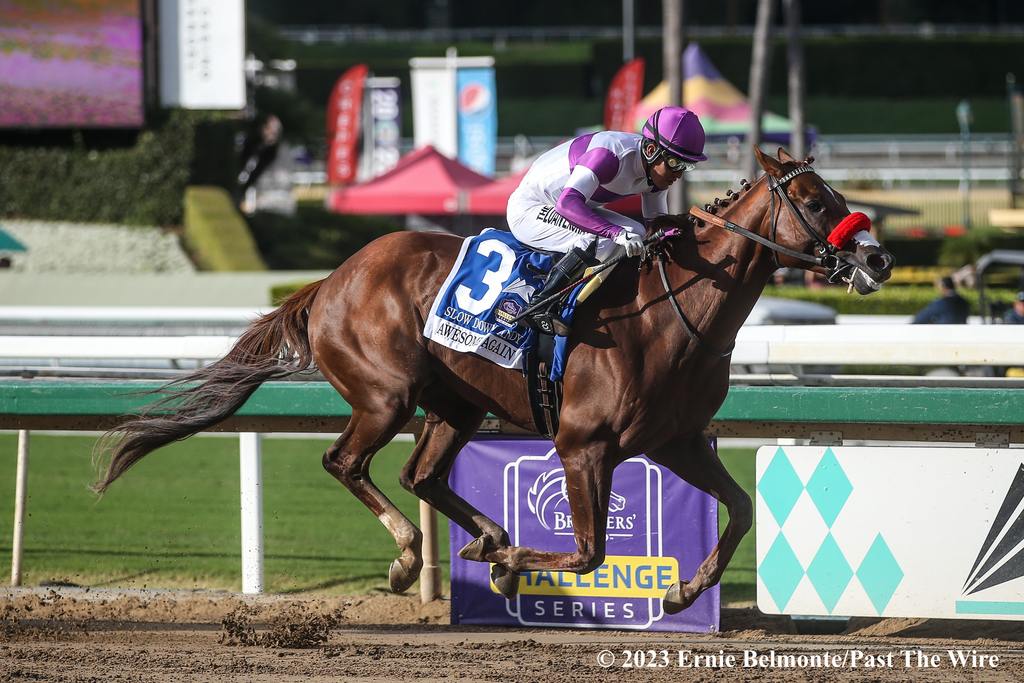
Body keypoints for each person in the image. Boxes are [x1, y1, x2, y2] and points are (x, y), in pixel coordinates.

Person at [506, 105, 706, 334]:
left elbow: (655, 226)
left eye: (686, 166)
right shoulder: (610, 156)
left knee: (636, 231)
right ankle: (540, 305)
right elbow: (567, 203)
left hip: (566, 206)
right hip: (532, 209)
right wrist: (616, 233)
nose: (679, 174)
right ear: (651, 150)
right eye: (675, 163)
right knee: (608, 236)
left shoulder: (656, 173)